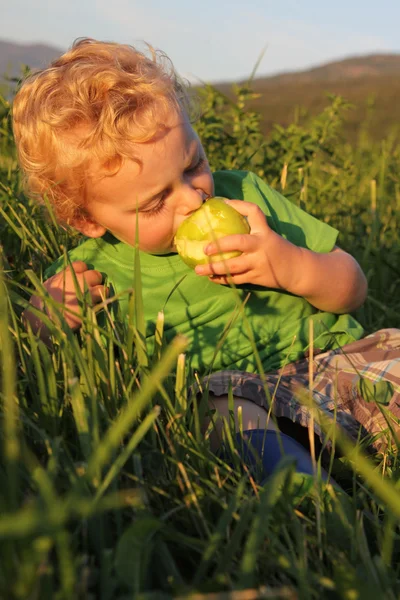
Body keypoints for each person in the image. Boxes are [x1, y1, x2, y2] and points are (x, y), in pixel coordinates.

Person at [12, 38, 400, 483]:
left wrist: (290, 264)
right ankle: (311, 504)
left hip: (334, 363)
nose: (193, 198)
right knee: (218, 413)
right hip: (240, 395)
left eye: (194, 164)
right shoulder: (91, 274)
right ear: (85, 218)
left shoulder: (248, 199)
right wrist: (44, 322)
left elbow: (352, 287)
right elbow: (39, 370)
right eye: (156, 201)